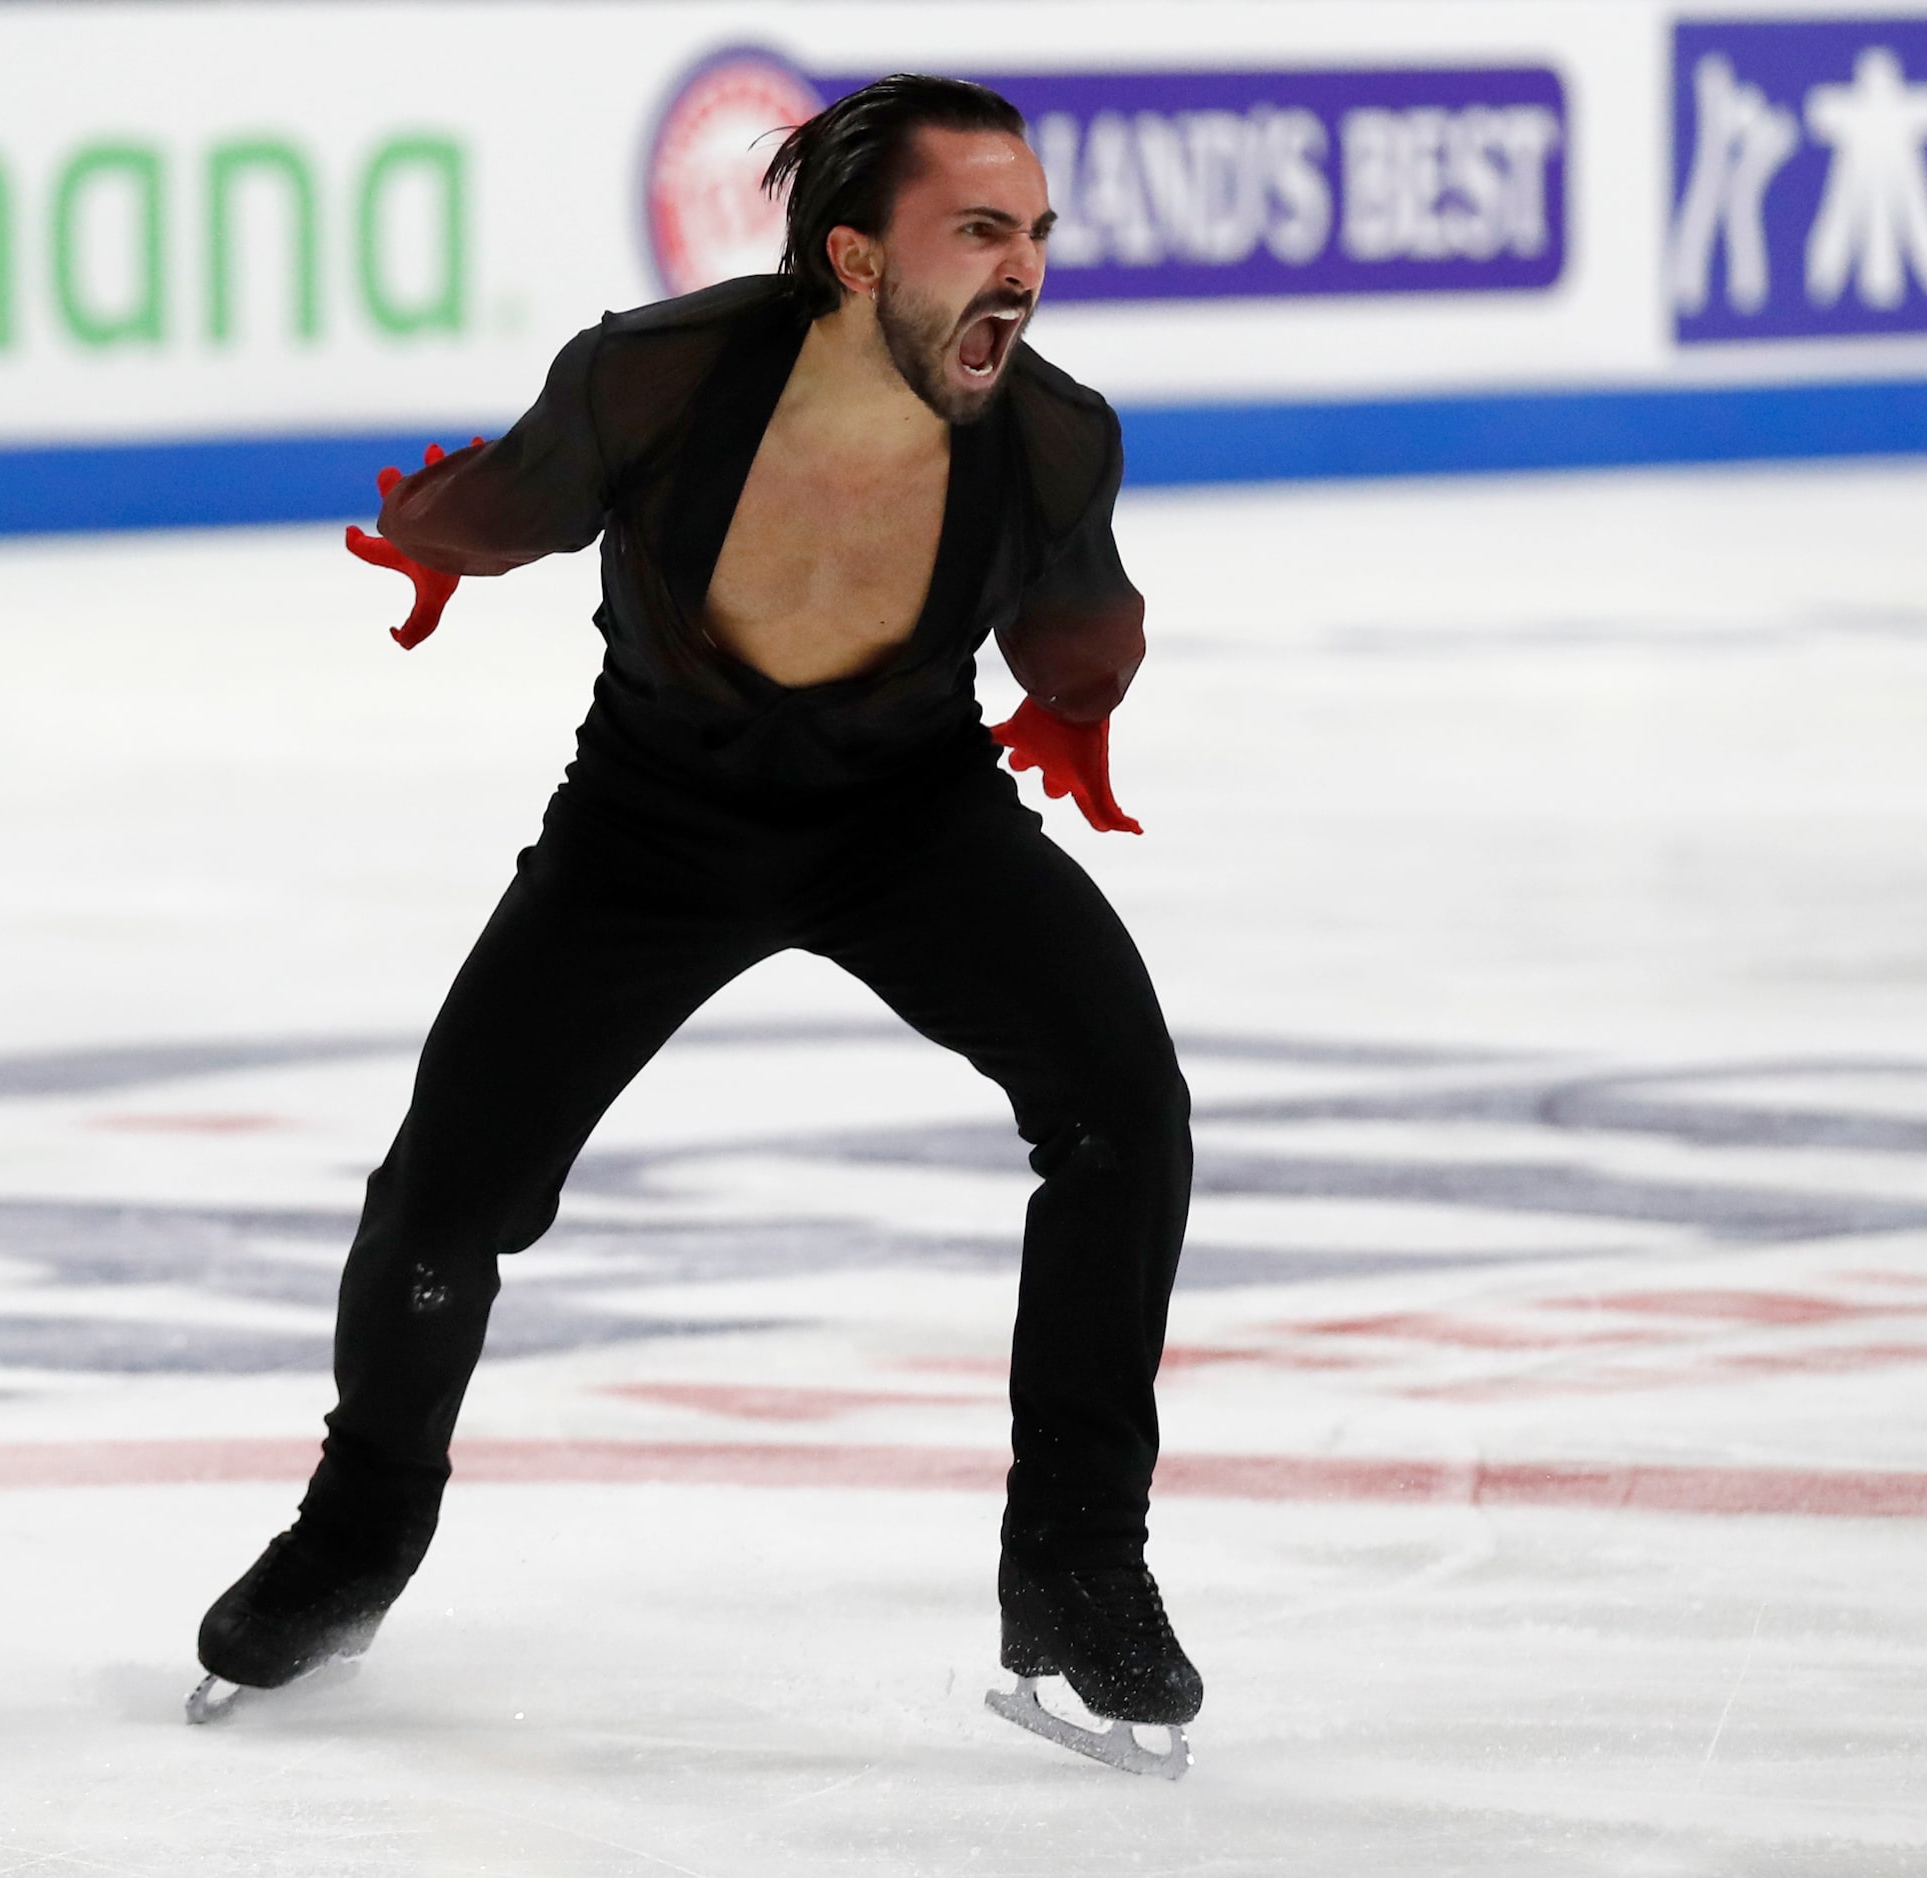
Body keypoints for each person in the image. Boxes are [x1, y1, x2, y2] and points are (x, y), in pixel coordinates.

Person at [190, 74, 1200, 1771]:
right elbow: (512, 498)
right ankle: (355, 1536)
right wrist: (434, 532)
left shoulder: (1049, 430)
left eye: (1034, 233)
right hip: (652, 825)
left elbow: (1076, 609)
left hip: (911, 818)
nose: (1022, 269)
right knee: (447, 1191)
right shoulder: (656, 374)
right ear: (859, 259)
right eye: (979, 230)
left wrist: (1085, 694)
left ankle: (1081, 1569)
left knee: (1126, 1115)